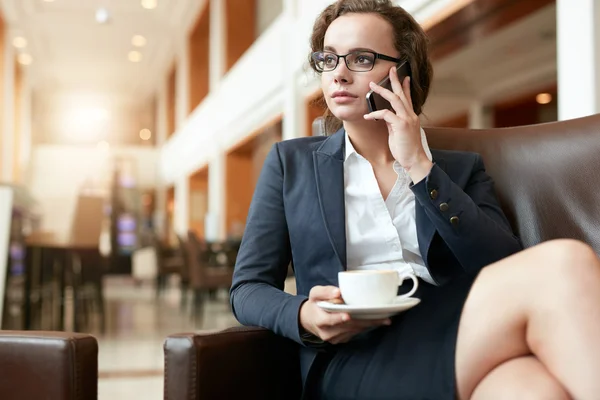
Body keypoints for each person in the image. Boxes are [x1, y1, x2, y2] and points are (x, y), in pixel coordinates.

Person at [230, 1, 600, 399]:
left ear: (402, 73)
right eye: (329, 58)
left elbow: (502, 265)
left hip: (462, 326)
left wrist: (421, 168)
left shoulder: (458, 170)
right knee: (565, 261)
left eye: (360, 58)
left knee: (531, 389)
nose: (338, 72)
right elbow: (247, 287)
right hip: (353, 352)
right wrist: (303, 313)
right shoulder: (292, 164)